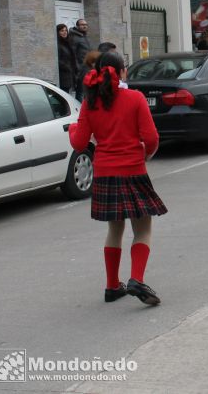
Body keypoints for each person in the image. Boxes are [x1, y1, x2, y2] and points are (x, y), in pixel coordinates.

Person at [68, 51, 167, 305]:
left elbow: (80, 143)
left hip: (105, 173)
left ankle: (112, 286)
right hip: (133, 170)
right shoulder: (135, 98)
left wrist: (74, 129)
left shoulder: (90, 102)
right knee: (142, 229)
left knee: (115, 228)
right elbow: (152, 138)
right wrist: (146, 154)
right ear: (123, 71)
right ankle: (136, 279)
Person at [56, 24, 78, 94]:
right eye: (62, 31)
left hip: (69, 74)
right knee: (64, 93)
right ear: (57, 32)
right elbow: (57, 60)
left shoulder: (67, 43)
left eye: (66, 30)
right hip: (63, 75)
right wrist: (67, 67)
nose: (65, 32)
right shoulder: (58, 44)